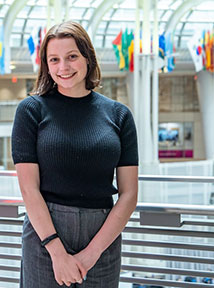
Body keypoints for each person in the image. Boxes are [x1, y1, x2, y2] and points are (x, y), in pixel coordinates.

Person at [11, 21, 138, 287]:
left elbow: (129, 194)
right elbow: (28, 188)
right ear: (46, 65)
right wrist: (57, 252)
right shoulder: (31, 110)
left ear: (87, 58)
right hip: (45, 237)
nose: (63, 68)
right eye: (54, 59)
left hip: (102, 238)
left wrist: (92, 254)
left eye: (72, 57)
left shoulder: (119, 115)